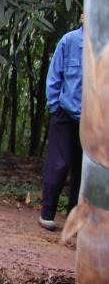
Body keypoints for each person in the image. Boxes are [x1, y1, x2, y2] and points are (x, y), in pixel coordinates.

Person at [39, 20, 84, 231]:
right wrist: (54, 106)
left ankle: (74, 218)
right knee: (59, 163)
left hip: (92, 120)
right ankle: (47, 213)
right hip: (65, 114)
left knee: (83, 169)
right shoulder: (69, 41)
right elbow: (55, 75)